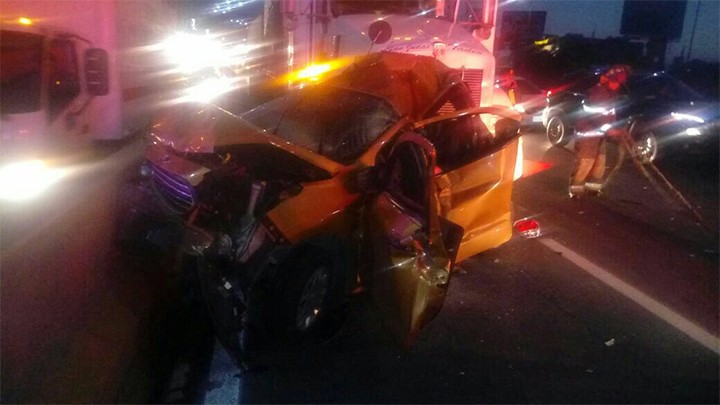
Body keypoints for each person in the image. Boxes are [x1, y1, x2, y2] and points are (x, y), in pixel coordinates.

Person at [569, 64, 631, 198]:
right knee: (586, 162)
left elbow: (608, 116)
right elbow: (597, 118)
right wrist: (611, 131)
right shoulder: (598, 93)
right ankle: (575, 191)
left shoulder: (610, 94)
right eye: (616, 83)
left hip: (599, 135)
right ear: (610, 80)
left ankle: (592, 189)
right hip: (588, 135)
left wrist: (615, 130)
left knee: (600, 163)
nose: (618, 86)